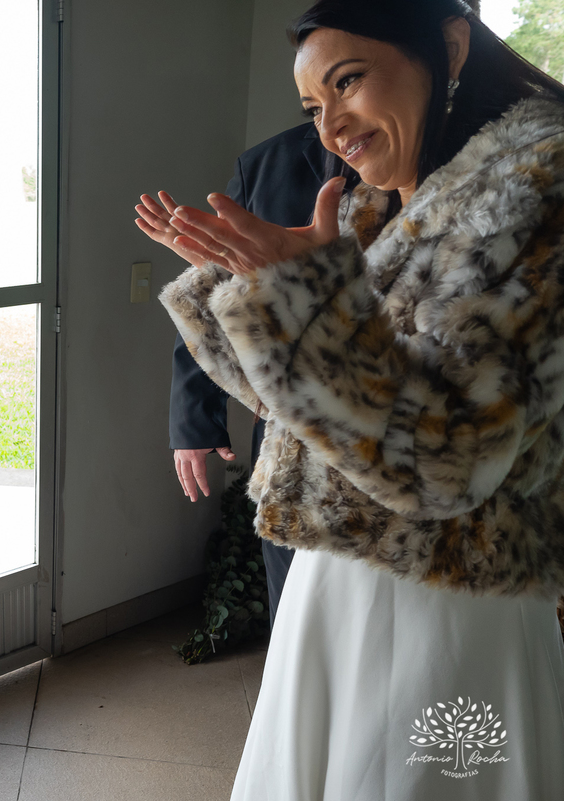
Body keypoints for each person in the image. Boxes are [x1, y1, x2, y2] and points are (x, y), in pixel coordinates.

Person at [139, 0, 564, 797]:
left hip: (453, 595)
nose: (329, 124)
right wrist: (253, 294)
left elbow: (445, 461)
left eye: (349, 81)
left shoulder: (537, 188)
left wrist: (301, 302)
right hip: (337, 579)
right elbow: (307, 407)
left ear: (450, 46)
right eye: (312, 106)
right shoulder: (381, 208)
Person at [154, 122, 325, 630]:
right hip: (282, 438)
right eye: (313, 99)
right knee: (291, 616)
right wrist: (194, 422)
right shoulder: (264, 164)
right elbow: (220, 293)